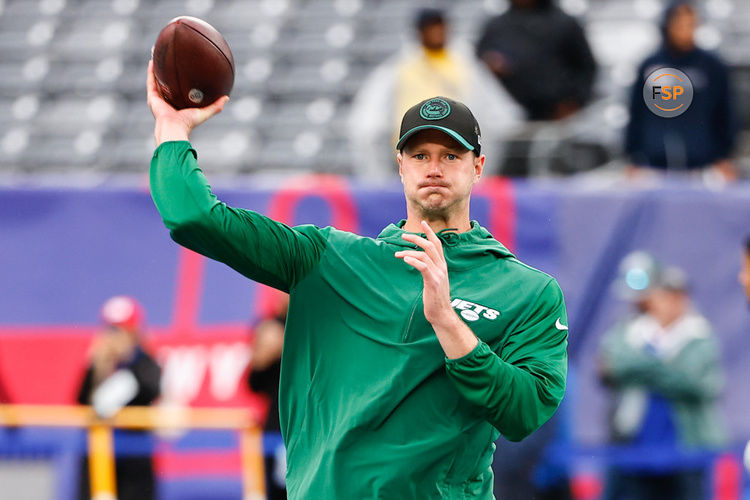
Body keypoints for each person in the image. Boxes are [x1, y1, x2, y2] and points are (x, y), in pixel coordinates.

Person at [147, 58, 569, 498]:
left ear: (478, 166)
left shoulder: (527, 291)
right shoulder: (327, 259)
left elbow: (526, 412)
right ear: (400, 164)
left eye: (451, 155)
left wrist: (447, 321)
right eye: (420, 155)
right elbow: (195, 218)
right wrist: (172, 129)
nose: (434, 168)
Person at [598, 258, 726, 500]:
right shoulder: (630, 331)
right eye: (662, 295)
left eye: (674, 296)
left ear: (683, 299)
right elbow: (611, 367)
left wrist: (644, 370)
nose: (666, 302)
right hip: (635, 449)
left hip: (686, 451)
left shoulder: (700, 335)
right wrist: (667, 369)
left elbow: (699, 384)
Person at [348, 7, 521, 179]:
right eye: (430, 27)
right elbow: (369, 119)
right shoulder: (400, 68)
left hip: (457, 153)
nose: (436, 32)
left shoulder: (466, 66)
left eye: (440, 26)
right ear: (419, 32)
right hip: (413, 153)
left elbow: (498, 115)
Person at [624, 2, 738, 181]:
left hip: (703, 165)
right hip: (654, 165)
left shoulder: (712, 67)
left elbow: (725, 112)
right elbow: (637, 113)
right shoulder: (650, 66)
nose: (685, 30)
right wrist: (633, 155)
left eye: (690, 24)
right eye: (679, 24)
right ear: (668, 25)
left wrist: (724, 155)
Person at [76, 296, 161, 500]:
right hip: (100, 452)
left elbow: (151, 391)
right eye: (111, 330)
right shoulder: (99, 363)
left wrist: (128, 360)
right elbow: (82, 400)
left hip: (134, 454)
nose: (115, 337)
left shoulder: (144, 362)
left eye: (121, 330)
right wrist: (97, 368)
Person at [476, 0, 597, 121]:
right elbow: (478, 61)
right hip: (508, 115)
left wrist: (574, 102)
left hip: (558, 115)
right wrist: (491, 62)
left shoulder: (565, 23)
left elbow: (586, 67)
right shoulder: (496, 26)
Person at [248, 293, 289, 500]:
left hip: (317, 420)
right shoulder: (269, 327)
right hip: (279, 426)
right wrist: (264, 353)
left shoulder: (320, 321)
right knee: (279, 490)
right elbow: (254, 384)